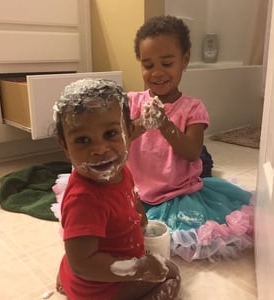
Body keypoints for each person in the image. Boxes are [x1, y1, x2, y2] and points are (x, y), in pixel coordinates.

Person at [127, 15, 254, 262]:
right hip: (138, 193)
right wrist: (142, 123)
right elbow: (120, 141)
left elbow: (192, 151)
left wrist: (164, 124)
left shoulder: (193, 108)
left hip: (178, 194)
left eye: (166, 63)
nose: (157, 73)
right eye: (148, 64)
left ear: (184, 60)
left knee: (186, 237)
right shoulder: (132, 102)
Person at [52, 78, 181, 299]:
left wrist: (140, 215)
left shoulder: (117, 170)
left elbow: (130, 194)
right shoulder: (84, 200)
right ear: (64, 146)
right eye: (83, 140)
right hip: (101, 288)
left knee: (78, 254)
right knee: (172, 274)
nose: (100, 149)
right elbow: (82, 263)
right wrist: (141, 267)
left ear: (129, 133)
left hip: (85, 274)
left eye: (110, 134)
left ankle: (65, 283)